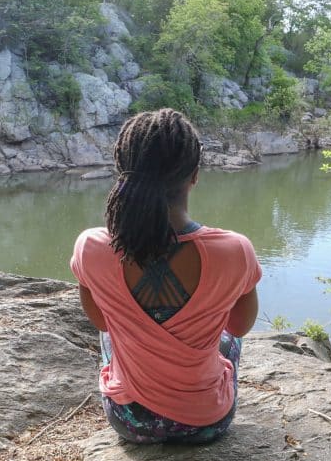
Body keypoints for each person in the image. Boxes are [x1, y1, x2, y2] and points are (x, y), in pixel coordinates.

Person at [69, 108, 261, 444]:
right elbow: (238, 326)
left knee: (112, 334)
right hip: (205, 424)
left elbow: (101, 321)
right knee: (229, 342)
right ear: (194, 176)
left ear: (121, 170)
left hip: (130, 422)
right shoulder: (234, 249)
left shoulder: (91, 246)